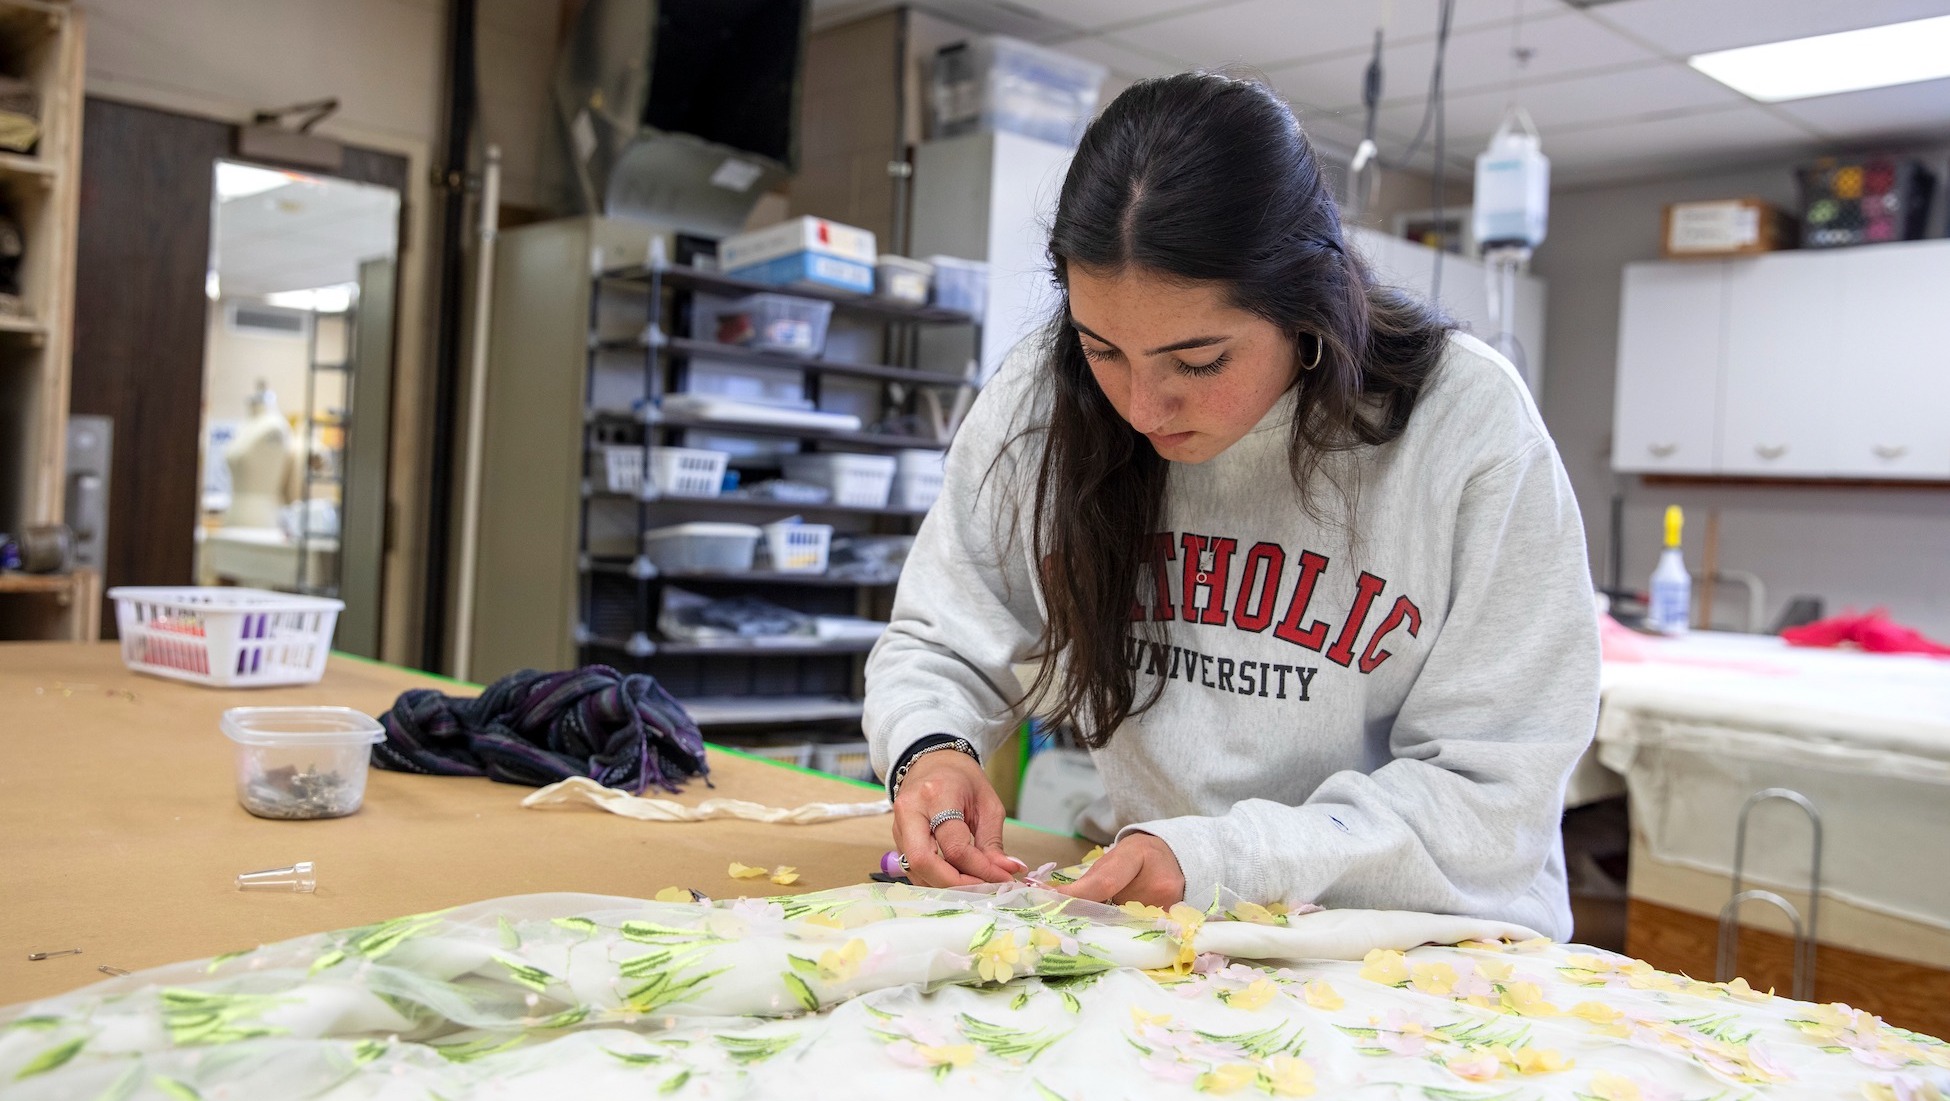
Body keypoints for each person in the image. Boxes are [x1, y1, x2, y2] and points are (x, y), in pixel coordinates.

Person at [863, 72, 1599, 939]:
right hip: (1173, 924)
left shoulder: (1466, 425)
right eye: (1104, 348)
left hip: (1427, 937)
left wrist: (1220, 858)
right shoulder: (1046, 395)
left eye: (1200, 361)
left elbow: (1490, 798)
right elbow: (939, 635)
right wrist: (930, 748)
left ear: (1307, 308)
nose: (1142, 407)